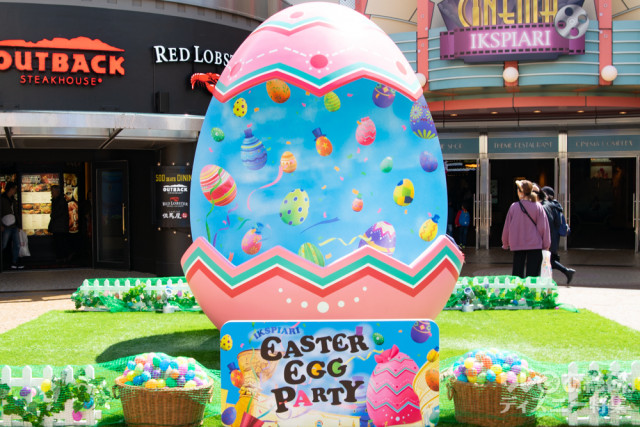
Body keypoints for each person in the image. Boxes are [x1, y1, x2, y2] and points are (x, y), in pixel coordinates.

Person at [501, 180, 551, 278]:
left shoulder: (513, 207)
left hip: (517, 245)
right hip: (535, 245)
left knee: (517, 276)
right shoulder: (538, 206)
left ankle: (519, 289)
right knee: (533, 276)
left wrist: (505, 243)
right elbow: (544, 228)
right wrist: (546, 245)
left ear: (520, 192)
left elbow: (507, 227)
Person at [541, 186, 576, 284]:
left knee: (546, 260)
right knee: (549, 260)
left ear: (547, 195)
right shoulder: (556, 206)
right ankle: (566, 272)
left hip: (550, 238)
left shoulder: (549, 207)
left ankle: (566, 272)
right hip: (554, 238)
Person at [1, 182, 24, 269]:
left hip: (14, 225)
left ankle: (14, 262)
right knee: (4, 244)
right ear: (11, 189)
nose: (15, 191)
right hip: (6, 225)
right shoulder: (2, 199)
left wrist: (19, 225)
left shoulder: (13, 200)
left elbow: (16, 213)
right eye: (14, 189)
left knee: (17, 244)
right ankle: (4, 262)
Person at [49, 185, 70, 263]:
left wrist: (52, 215)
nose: (51, 193)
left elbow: (59, 213)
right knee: (59, 242)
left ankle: (61, 257)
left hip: (59, 226)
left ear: (56, 192)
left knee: (59, 242)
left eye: (52, 191)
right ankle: (62, 257)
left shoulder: (60, 201)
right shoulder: (58, 200)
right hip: (59, 226)